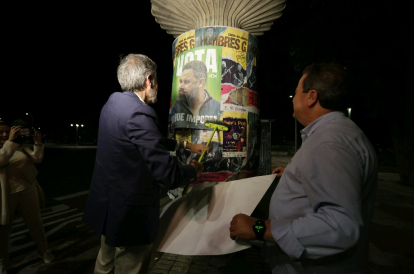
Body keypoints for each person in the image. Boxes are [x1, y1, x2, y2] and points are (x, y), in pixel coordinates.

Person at [229, 62, 378, 273]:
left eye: (297, 91)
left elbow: (338, 227)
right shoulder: (338, 135)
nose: (294, 98)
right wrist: (294, 175)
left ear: (311, 96)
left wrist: (259, 228)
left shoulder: (329, 143)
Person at [82, 54, 208, 274]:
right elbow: (166, 174)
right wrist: (192, 170)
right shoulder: (140, 113)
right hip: (129, 217)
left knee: (104, 264)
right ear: (149, 80)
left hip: (108, 209)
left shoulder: (113, 103)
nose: (157, 86)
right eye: (157, 81)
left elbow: (145, 140)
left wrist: (186, 146)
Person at [0, 121, 54, 274]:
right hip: (5, 195)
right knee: (3, 230)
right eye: (0, 132)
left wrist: (37, 143)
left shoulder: (19, 146)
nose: (4, 134)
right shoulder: (8, 146)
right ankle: (2, 262)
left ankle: (43, 250)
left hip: (27, 190)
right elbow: (1, 159)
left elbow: (37, 158)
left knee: (35, 222)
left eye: (7, 131)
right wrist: (10, 141)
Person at [169, 60, 221, 128]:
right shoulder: (176, 107)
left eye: (186, 82)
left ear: (200, 83)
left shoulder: (217, 108)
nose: (180, 86)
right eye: (180, 81)